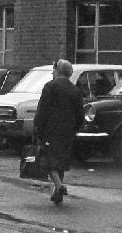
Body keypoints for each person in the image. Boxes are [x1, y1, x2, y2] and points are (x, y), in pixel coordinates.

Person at [33, 59, 84, 205]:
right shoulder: (75, 90)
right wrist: (78, 127)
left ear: (57, 71)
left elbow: (43, 109)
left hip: (51, 129)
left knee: (48, 160)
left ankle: (60, 186)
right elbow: (80, 113)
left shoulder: (50, 87)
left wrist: (38, 127)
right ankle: (57, 194)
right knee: (61, 160)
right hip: (68, 130)